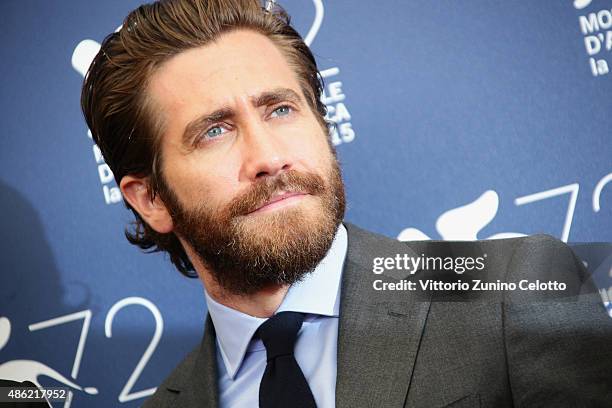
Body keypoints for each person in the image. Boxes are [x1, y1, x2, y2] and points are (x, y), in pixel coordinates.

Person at [80, 0, 612, 407]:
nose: (268, 156)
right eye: (215, 131)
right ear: (150, 198)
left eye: (281, 109)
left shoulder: (520, 289)